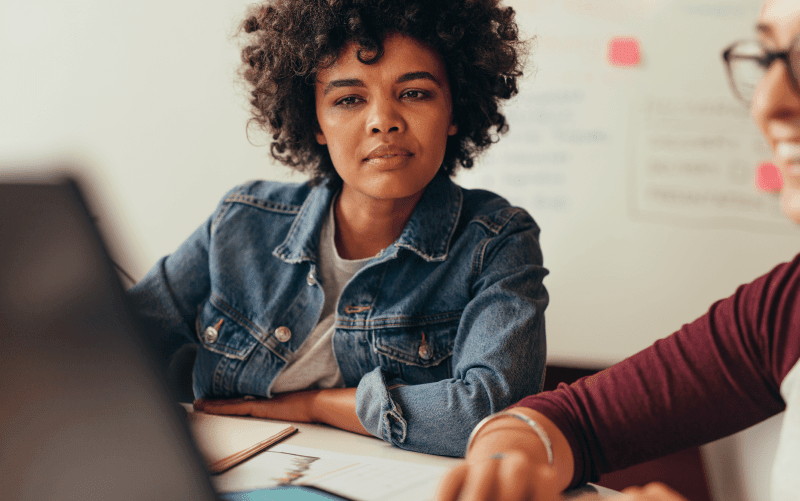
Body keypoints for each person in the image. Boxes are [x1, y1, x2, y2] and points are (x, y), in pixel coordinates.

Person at [127, 0, 548, 457]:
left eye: (415, 93)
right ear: (316, 123)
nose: (382, 120)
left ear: (454, 110)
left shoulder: (497, 241)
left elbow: (493, 413)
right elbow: (111, 343)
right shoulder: (242, 223)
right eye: (349, 99)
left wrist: (314, 406)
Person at [435, 0, 800, 497]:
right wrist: (507, 463)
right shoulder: (787, 305)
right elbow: (572, 419)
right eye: (767, 60)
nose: (767, 102)